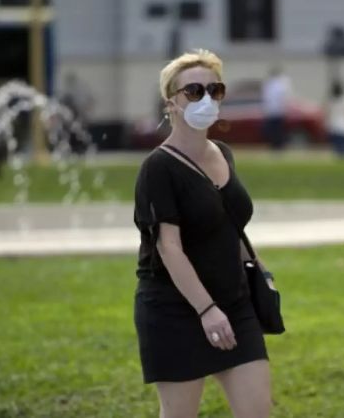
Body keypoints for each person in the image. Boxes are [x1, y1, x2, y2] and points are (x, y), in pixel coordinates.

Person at [133, 48, 274, 417]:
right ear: (171, 103)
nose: (206, 98)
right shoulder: (158, 168)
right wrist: (206, 309)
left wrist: (258, 268)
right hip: (175, 309)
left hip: (235, 304)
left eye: (215, 90)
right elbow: (169, 247)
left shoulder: (223, 153)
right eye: (194, 91)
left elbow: (229, 224)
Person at [261, 65, 291, 151]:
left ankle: (279, 145)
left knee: (277, 130)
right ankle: (275, 145)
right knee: (273, 130)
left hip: (277, 111)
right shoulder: (271, 84)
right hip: (272, 111)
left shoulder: (280, 84)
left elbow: (282, 97)